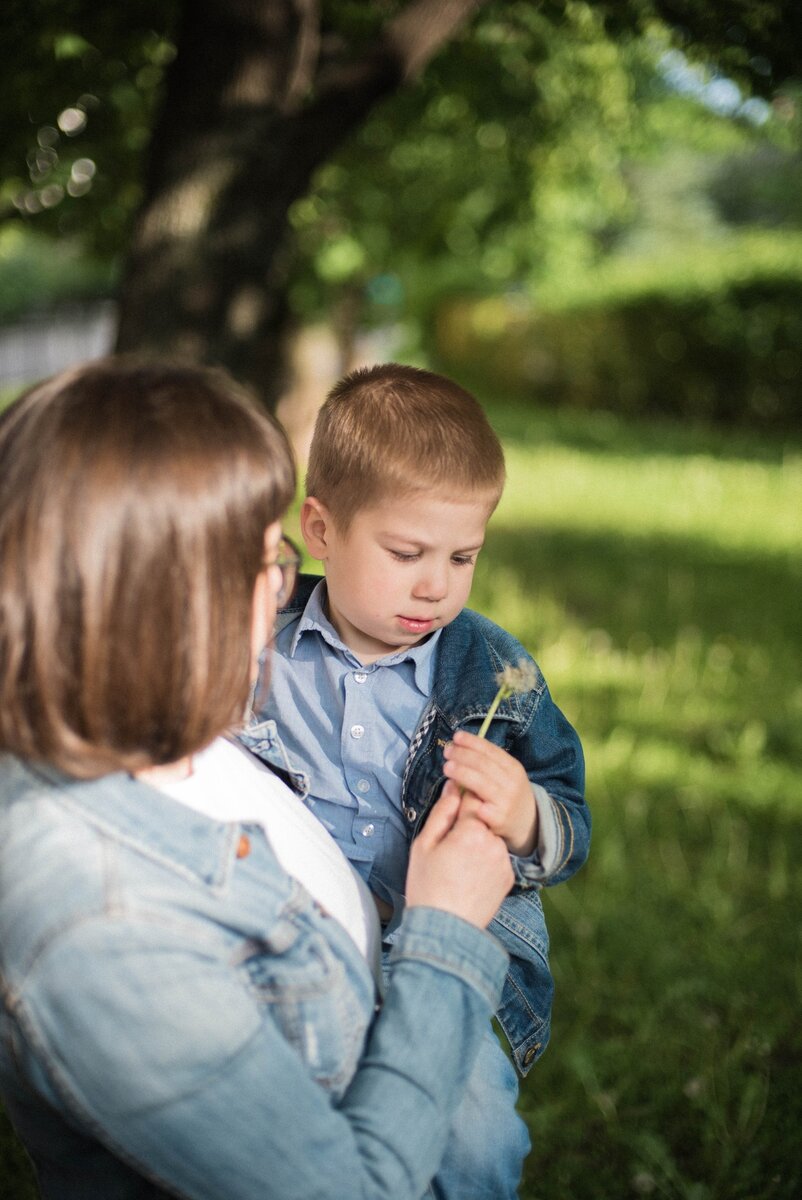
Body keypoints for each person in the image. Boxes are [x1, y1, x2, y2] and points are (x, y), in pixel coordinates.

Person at [0, 358, 516, 1200]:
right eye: (262, 565)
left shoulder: (179, 736)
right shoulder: (98, 926)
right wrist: (448, 931)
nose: (280, 592)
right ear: (160, 601)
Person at [255, 362, 591, 1199]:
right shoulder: (257, 642)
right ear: (322, 531)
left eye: (463, 555)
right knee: (276, 1123)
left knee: (471, 1138)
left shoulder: (491, 671)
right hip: (297, 933)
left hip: (450, 941)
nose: (436, 584)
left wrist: (525, 817)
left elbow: (571, 824)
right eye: (406, 552)